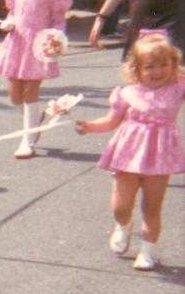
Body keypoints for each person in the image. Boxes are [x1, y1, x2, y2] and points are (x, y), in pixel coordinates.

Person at [75, 31, 184, 271]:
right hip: (128, 155)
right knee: (120, 206)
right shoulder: (126, 93)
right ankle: (123, 226)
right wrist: (90, 127)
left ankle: (147, 252)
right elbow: (111, 121)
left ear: (174, 64)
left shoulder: (177, 88)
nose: (158, 71)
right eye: (150, 66)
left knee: (152, 207)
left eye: (164, 64)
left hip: (160, 157)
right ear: (136, 69)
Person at [0, 0, 72, 159]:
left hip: (38, 47)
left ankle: (28, 141)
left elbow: (58, 21)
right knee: (14, 95)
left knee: (30, 94)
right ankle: (35, 122)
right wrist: (7, 22)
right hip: (17, 44)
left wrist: (55, 40)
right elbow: (13, 14)